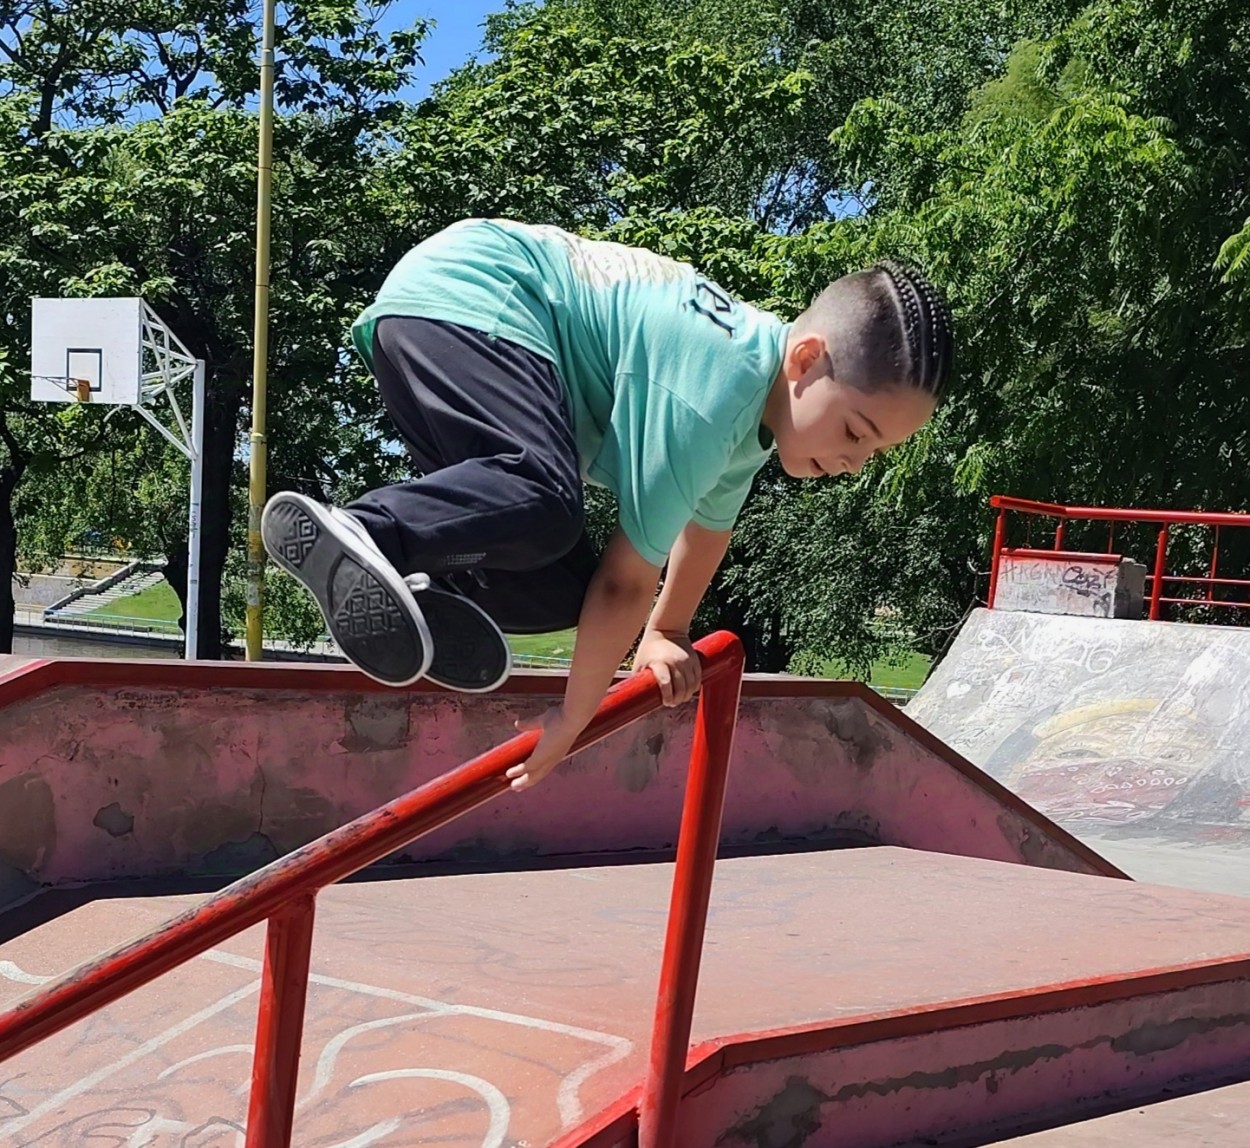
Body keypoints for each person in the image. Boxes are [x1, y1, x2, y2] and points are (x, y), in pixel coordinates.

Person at [262, 218, 954, 791]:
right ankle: (367, 531)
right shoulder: (715, 389)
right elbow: (630, 579)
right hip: (474, 298)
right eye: (856, 431)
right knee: (543, 499)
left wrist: (666, 630)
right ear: (806, 362)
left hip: (437, 324)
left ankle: (419, 583)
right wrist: (573, 719)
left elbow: (707, 529)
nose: (854, 462)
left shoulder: (752, 421)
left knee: (566, 585)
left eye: (875, 452)